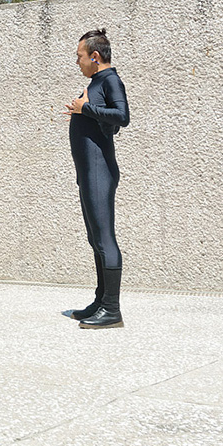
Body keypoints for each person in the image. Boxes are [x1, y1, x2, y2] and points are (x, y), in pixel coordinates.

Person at [62, 29, 130, 329]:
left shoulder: (110, 80)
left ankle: (112, 310)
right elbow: (106, 122)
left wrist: (85, 109)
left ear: (95, 56)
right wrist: (82, 113)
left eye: (79, 56)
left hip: (100, 171)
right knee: (95, 239)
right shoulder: (96, 83)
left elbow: (122, 116)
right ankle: (101, 301)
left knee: (104, 238)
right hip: (89, 173)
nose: (77, 61)